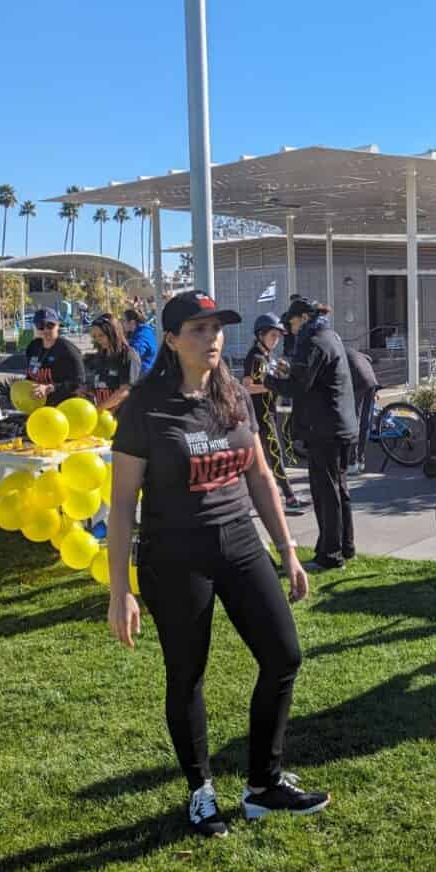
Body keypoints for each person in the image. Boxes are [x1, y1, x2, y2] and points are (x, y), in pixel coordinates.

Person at [106, 290, 328, 839]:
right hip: (175, 554)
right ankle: (201, 790)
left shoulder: (233, 394)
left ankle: (262, 785)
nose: (212, 338)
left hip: (239, 541)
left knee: (283, 655)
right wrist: (119, 591)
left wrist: (288, 550)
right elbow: (121, 506)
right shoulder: (145, 406)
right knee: (187, 674)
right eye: (199, 329)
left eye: (217, 328)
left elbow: (259, 478)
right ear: (174, 339)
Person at [279, 297, 358, 571]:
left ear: (302, 318)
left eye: (291, 322)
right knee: (339, 490)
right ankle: (346, 546)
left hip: (324, 428)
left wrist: (268, 380)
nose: (290, 328)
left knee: (326, 493)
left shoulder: (312, 341)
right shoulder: (330, 336)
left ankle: (330, 555)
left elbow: (298, 385)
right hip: (341, 425)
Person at [242, 313, 307, 516]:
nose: (276, 339)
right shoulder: (256, 357)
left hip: (268, 412)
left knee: (258, 460)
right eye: (272, 335)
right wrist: (273, 387)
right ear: (261, 334)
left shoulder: (267, 356)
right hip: (260, 414)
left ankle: (248, 498)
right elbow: (247, 386)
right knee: (275, 454)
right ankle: (289, 497)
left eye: (278, 336)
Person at [24, 307, 85, 405]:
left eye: (50, 325)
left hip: (64, 407)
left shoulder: (68, 350)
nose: (45, 330)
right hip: (38, 405)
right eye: (40, 326)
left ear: (58, 325)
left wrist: (51, 388)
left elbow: (79, 383)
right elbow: (31, 376)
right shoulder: (33, 347)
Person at [83, 313, 140, 412]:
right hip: (103, 415)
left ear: (113, 332)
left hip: (123, 417)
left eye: (101, 335)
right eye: (95, 336)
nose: (98, 340)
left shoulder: (128, 355)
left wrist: (99, 408)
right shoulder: (100, 356)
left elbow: (124, 391)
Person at [345, 345, 379, 475]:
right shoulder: (353, 351)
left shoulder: (337, 352)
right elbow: (369, 359)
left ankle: (352, 463)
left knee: (355, 422)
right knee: (365, 423)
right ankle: (361, 461)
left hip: (358, 383)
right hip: (371, 380)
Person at [123, 306, 159, 373]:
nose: (123, 323)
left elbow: (136, 352)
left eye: (124, 320)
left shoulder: (142, 334)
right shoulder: (140, 332)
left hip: (145, 377)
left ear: (132, 322)